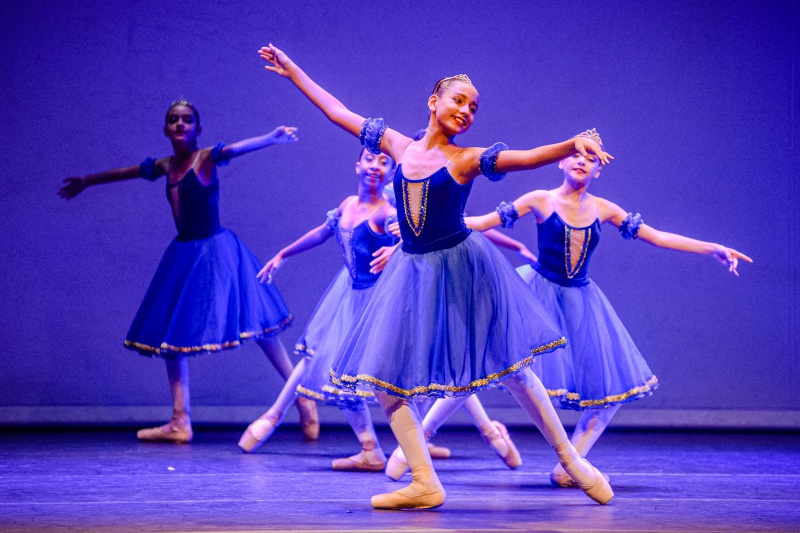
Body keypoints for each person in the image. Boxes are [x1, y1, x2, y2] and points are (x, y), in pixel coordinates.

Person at [258, 44, 613, 509]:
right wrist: (295, 74)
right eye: (458, 100)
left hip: (462, 268)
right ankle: (424, 480)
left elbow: (525, 158)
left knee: (512, 368)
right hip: (413, 272)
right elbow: (337, 112)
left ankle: (572, 459)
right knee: (385, 379)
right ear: (434, 102)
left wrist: (571, 145)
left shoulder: (465, 160)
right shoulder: (397, 147)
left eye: (473, 107)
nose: (466, 111)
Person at [464, 133, 751, 486]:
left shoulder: (603, 209)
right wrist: (432, 225)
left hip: (581, 304)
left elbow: (657, 236)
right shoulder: (540, 200)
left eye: (592, 159)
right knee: (495, 363)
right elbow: (480, 223)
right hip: (536, 296)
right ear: (563, 160)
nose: (583, 162)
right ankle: (429, 435)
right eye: (578, 155)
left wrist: (712, 248)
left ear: (599, 170)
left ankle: (571, 462)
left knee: (610, 389)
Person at [58, 100, 319, 443]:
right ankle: (180, 420)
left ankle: (300, 398)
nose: (180, 125)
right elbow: (127, 172)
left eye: (187, 120)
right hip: (184, 254)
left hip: (218, 251)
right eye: (173, 120)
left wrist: (271, 138)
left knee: (259, 324)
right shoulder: (166, 166)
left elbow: (237, 149)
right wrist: (87, 181)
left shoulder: (206, 158)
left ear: (198, 128)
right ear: (166, 129)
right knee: (172, 332)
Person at [238, 147, 398, 473]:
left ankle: (408, 447)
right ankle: (371, 449)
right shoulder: (348, 206)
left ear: (391, 174)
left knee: (375, 380)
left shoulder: (385, 212)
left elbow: (413, 235)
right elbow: (322, 232)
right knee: (338, 376)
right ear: (357, 165)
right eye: (369, 159)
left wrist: (395, 250)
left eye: (384, 163)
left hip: (375, 305)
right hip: (352, 299)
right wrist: (283, 253)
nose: (375, 166)